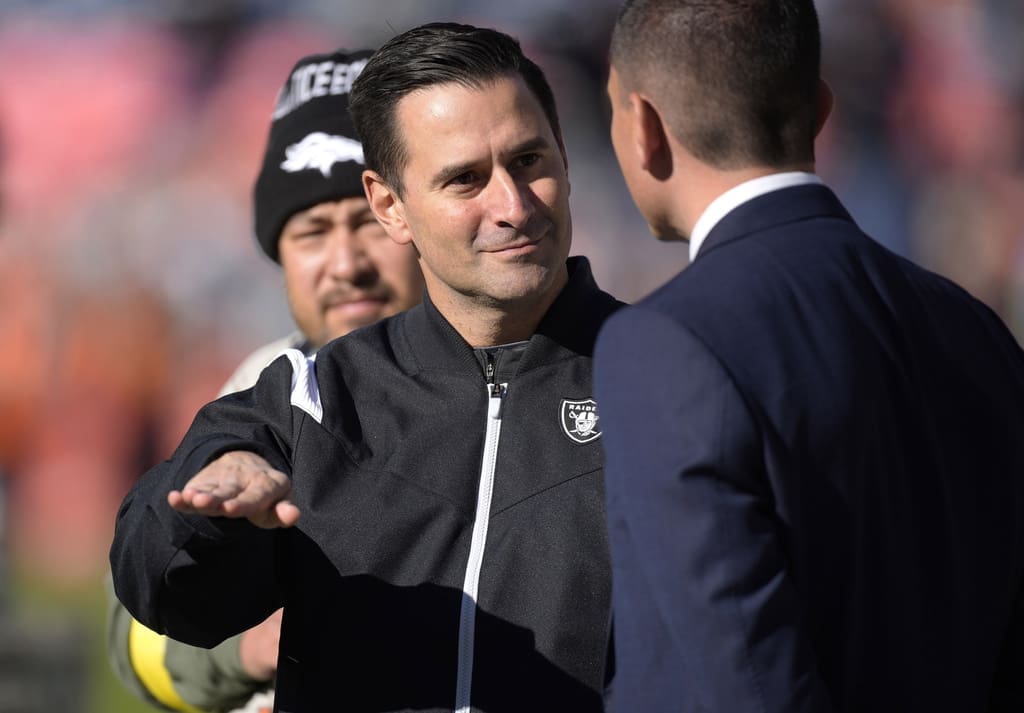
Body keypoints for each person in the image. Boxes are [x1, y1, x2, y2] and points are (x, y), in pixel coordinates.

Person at [110, 22, 624, 713]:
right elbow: (155, 595)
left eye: (529, 161)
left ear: (564, 157)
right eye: (465, 179)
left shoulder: (662, 372)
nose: (512, 206)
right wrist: (216, 518)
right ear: (396, 205)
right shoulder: (299, 396)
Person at [594, 1, 1024, 711]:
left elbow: (739, 684)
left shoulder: (664, 344)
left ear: (641, 126)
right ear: (822, 106)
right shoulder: (973, 325)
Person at [106, 47, 424, 713]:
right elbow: (136, 636)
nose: (346, 263)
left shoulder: (514, 382)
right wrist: (254, 643)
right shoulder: (262, 380)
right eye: (311, 230)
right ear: (277, 253)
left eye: (368, 222)